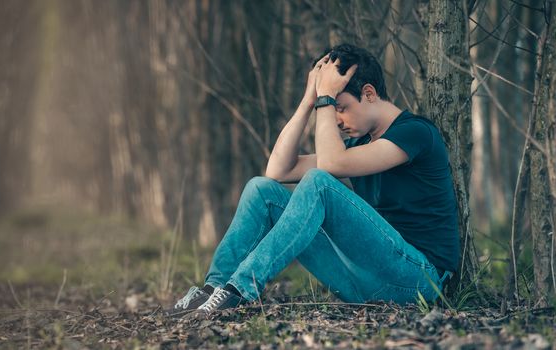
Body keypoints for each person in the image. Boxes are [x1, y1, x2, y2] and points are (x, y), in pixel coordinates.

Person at [165, 43, 459, 317]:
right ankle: (212, 290)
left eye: (340, 108)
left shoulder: (416, 132)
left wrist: (325, 99)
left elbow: (331, 165)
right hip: (366, 283)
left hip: (419, 281)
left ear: (369, 93)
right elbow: (279, 170)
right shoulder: (359, 147)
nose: (337, 120)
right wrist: (309, 100)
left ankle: (238, 290)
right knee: (261, 190)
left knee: (318, 182)